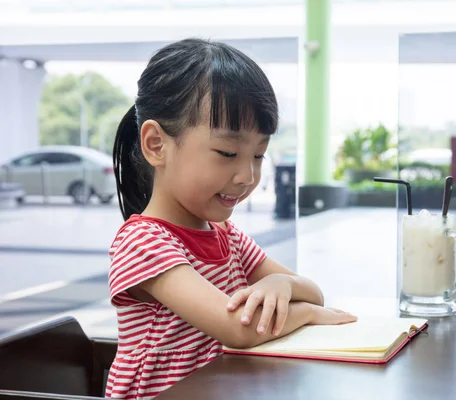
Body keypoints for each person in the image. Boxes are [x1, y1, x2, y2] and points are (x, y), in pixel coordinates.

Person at [106, 38, 357, 400]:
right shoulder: (143, 242)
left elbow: (313, 293)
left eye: (258, 155)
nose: (247, 176)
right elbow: (238, 328)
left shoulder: (227, 236)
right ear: (157, 145)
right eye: (227, 152)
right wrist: (307, 315)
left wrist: (282, 288)